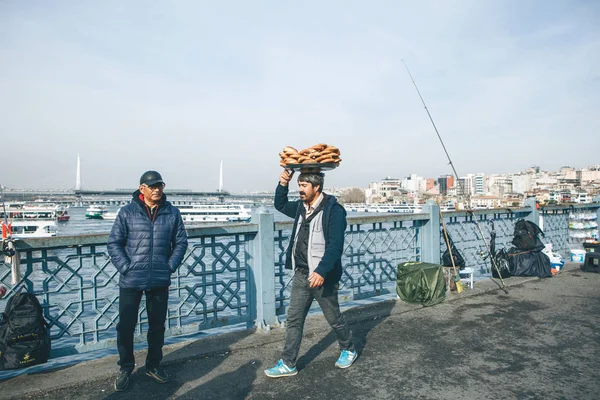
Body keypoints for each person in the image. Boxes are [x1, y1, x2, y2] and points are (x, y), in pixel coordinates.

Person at [264, 170, 356, 378]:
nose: (300, 189)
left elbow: (335, 247)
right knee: (294, 319)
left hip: (323, 276)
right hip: (301, 274)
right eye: (299, 184)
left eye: (304, 185)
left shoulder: (334, 211)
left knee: (333, 318)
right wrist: (283, 183)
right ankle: (288, 363)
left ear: (317, 187)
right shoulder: (299, 207)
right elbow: (279, 204)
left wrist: (321, 271)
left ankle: (348, 348)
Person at [108, 171, 188, 391]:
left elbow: (181, 242)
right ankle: (126, 368)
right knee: (125, 327)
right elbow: (114, 243)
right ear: (141, 188)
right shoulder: (127, 212)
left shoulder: (172, 213)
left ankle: (153, 365)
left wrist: (169, 266)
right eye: (152, 186)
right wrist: (126, 267)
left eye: (160, 185)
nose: (157, 190)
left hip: (159, 278)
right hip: (131, 279)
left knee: (157, 327)